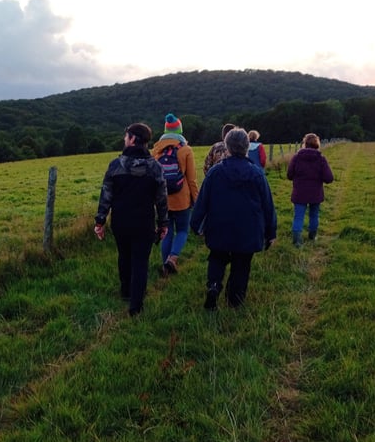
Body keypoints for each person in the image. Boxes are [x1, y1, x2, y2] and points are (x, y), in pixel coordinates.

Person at [190, 128, 277, 310]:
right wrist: (271, 232)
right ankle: (235, 300)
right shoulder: (257, 174)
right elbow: (268, 205)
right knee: (242, 263)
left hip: (219, 226)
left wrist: (196, 224)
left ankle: (214, 285)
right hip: (248, 228)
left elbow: (202, 202)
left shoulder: (215, 173)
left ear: (227, 148)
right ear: (247, 148)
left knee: (217, 257)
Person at [95, 122, 169, 316]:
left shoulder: (116, 165)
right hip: (144, 221)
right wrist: (163, 223)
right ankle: (136, 305)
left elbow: (106, 195)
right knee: (140, 262)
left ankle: (126, 291)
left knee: (124, 255)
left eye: (126, 136)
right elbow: (161, 199)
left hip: (120, 221)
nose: (124, 139)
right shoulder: (155, 167)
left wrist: (100, 221)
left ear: (133, 139)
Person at [151, 113, 199, 275]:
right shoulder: (185, 149)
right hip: (182, 199)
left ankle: (165, 266)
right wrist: (196, 200)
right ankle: (172, 258)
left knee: (167, 232)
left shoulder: (156, 150)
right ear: (180, 130)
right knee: (183, 230)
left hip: (162, 199)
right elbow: (191, 179)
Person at [286, 133, 334, 247]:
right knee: (314, 215)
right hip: (315, 193)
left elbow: (289, 175)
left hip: (299, 193)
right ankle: (312, 237)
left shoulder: (296, 157)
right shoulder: (321, 159)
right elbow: (329, 178)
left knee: (298, 216)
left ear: (305, 144)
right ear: (317, 144)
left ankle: (297, 241)